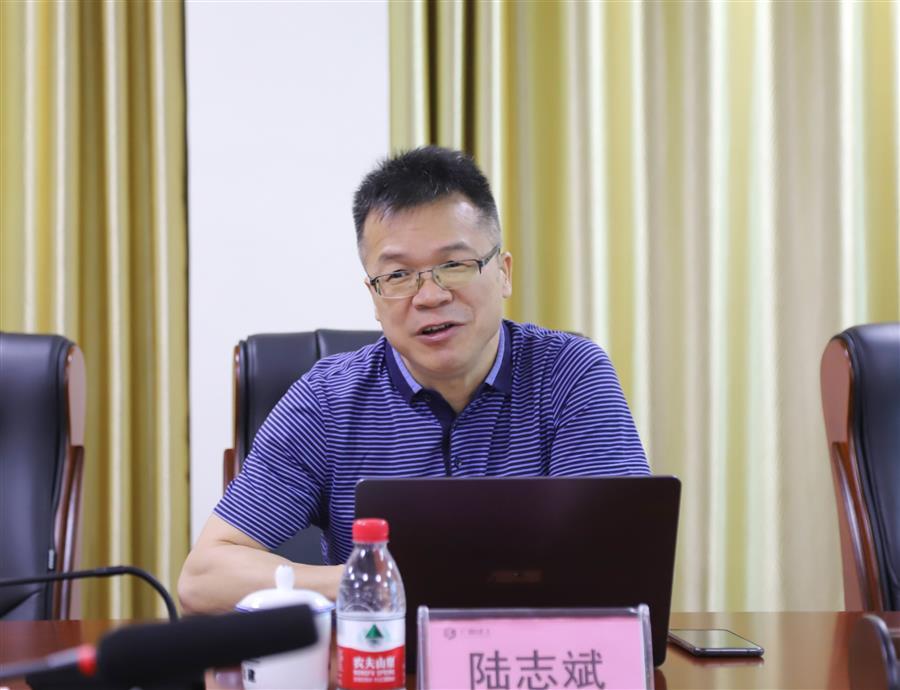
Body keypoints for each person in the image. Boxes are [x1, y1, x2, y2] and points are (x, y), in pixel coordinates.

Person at [178, 146, 649, 613]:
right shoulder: (327, 401)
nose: (429, 296)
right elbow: (203, 579)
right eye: (399, 275)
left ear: (503, 274)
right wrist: (366, 580)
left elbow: (623, 561)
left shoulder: (569, 374)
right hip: (381, 653)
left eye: (454, 265)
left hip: (532, 653)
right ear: (374, 295)